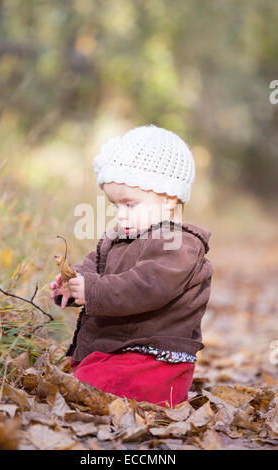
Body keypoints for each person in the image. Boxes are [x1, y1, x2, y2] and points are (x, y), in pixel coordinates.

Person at [50, 124, 213, 408]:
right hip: (116, 348)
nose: (120, 215)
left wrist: (94, 291)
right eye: (115, 205)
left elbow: (148, 286)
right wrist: (73, 284)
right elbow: (93, 268)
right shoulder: (117, 238)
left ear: (168, 199)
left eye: (130, 205)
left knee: (90, 389)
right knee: (74, 381)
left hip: (153, 358)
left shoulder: (179, 243)